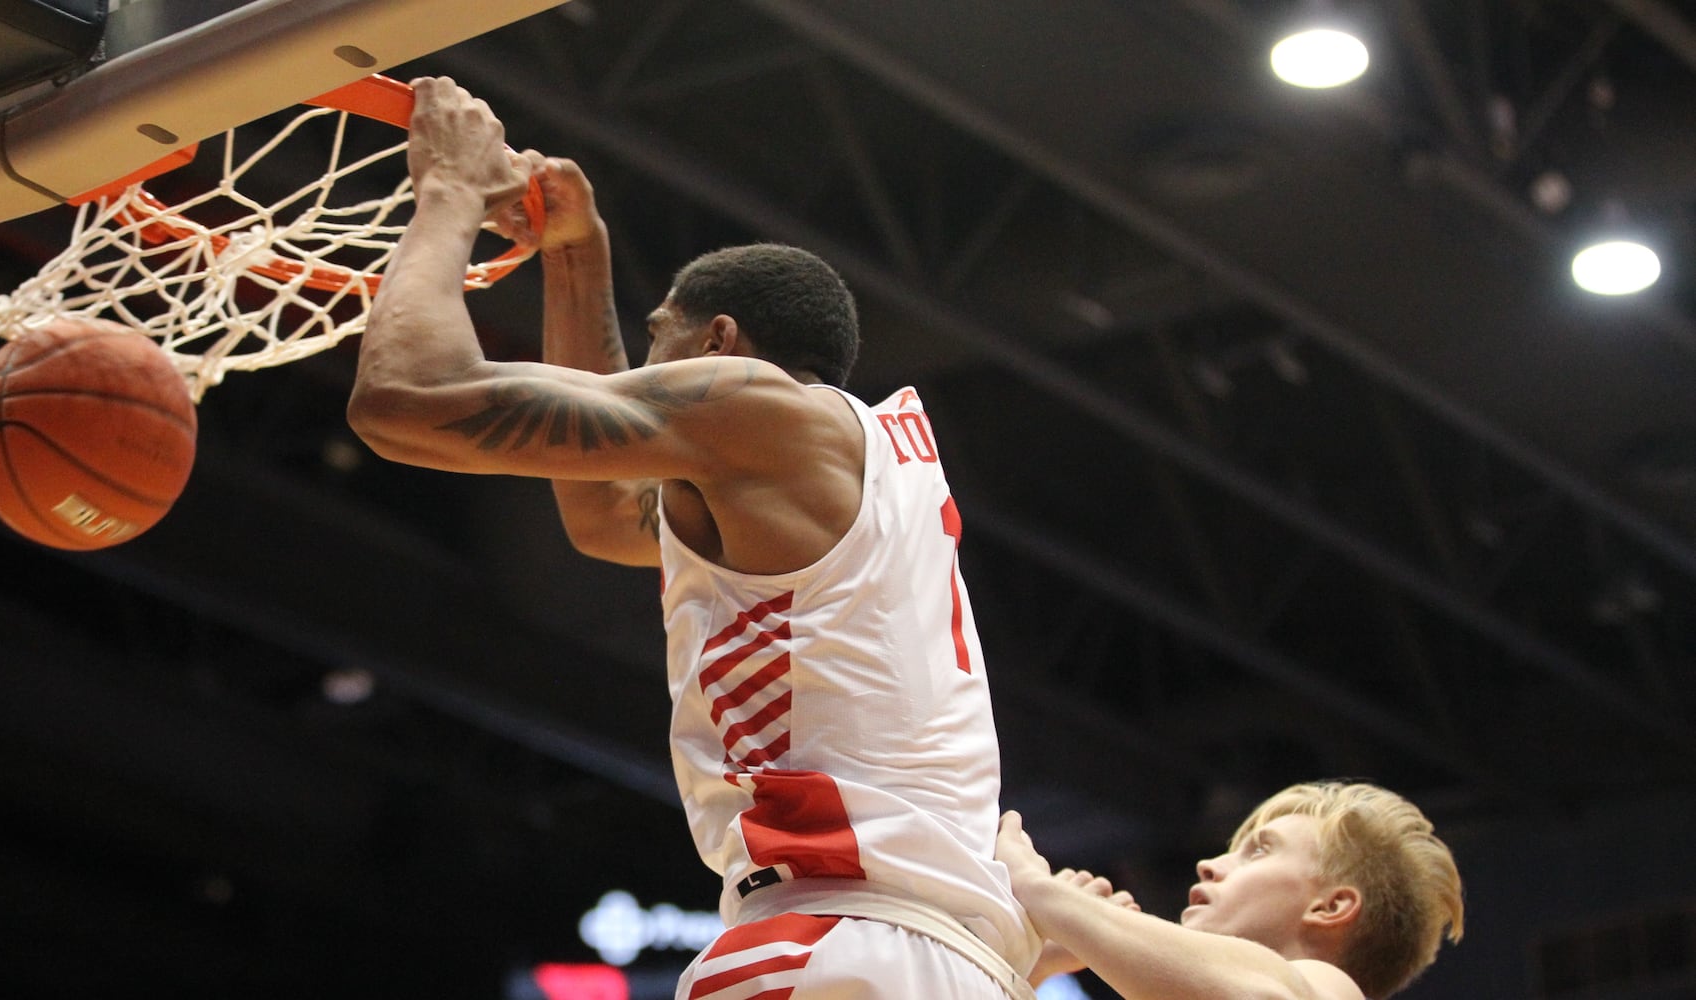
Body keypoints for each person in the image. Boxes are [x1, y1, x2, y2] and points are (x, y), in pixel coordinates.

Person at [347, 77, 1041, 999]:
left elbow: (404, 402)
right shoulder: (860, 475)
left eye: (657, 343)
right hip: (947, 955)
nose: (642, 383)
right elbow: (603, 517)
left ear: (718, 342)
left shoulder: (752, 407)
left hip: (840, 940)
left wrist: (451, 189)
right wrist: (575, 256)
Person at [996, 781, 1464, 1000]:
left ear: (1331, 906)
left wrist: (1040, 891)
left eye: (1259, 851)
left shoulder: (1330, 988)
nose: (1208, 865)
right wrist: (1027, 968)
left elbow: (1269, 995)